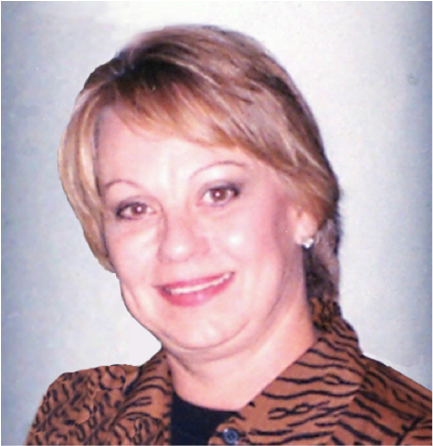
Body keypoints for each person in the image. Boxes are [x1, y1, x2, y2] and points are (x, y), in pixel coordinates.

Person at [26, 25, 431, 446]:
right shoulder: (77, 415)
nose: (177, 245)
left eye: (217, 194)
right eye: (136, 208)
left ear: (305, 206)